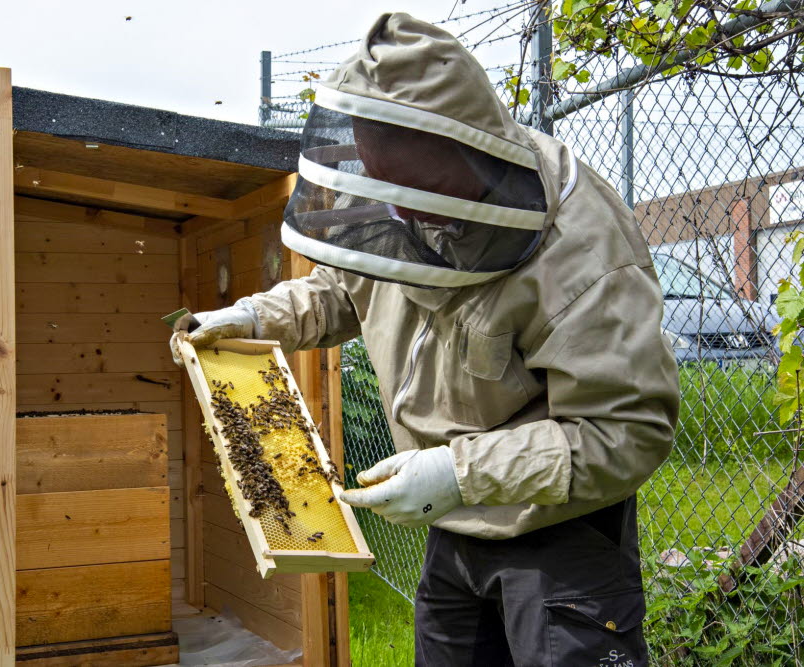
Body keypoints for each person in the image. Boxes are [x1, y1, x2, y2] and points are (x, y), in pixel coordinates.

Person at [171, 13, 679, 666]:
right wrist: (251, 317)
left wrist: (458, 471)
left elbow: (627, 431)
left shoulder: (583, 248)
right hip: (451, 522)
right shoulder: (397, 196)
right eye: (387, 192)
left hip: (557, 526)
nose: (402, 215)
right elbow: (340, 289)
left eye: (419, 194)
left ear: (472, 151)